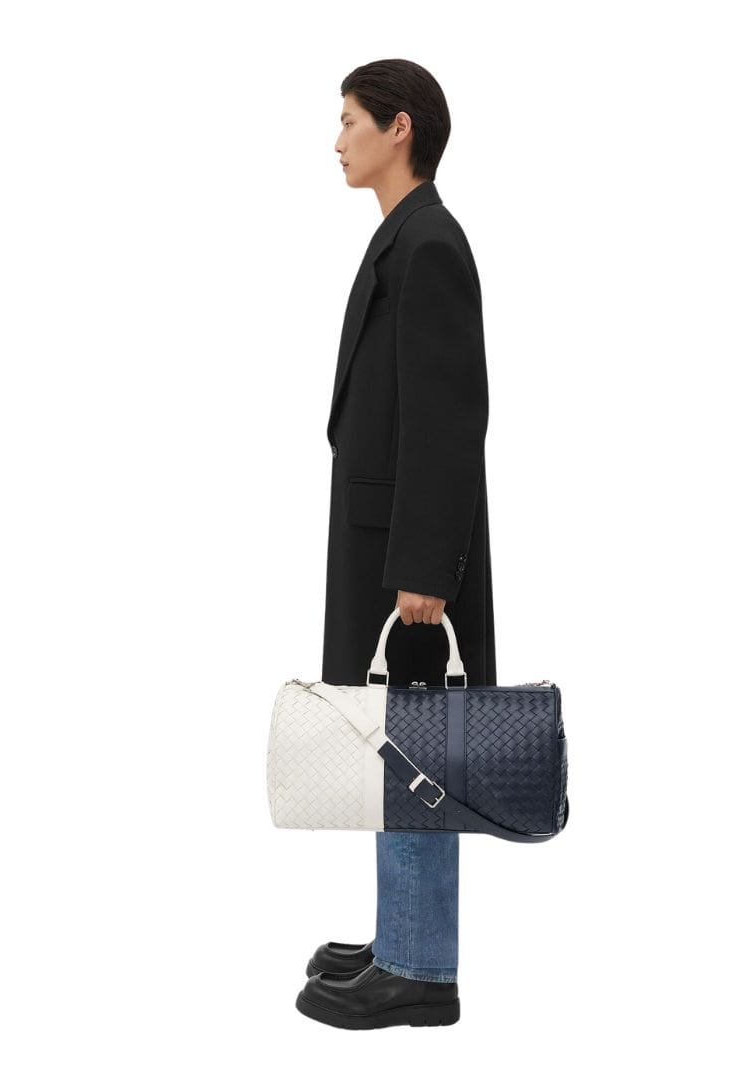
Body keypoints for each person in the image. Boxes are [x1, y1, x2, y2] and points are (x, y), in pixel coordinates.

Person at [294, 59, 496, 1030]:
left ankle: (421, 968)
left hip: (411, 563)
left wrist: (425, 566)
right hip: (388, 545)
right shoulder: (404, 237)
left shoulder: (431, 245)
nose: (337, 140)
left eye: (349, 120)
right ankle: (398, 937)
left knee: (418, 745)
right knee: (395, 740)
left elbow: (450, 421)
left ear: (399, 127)